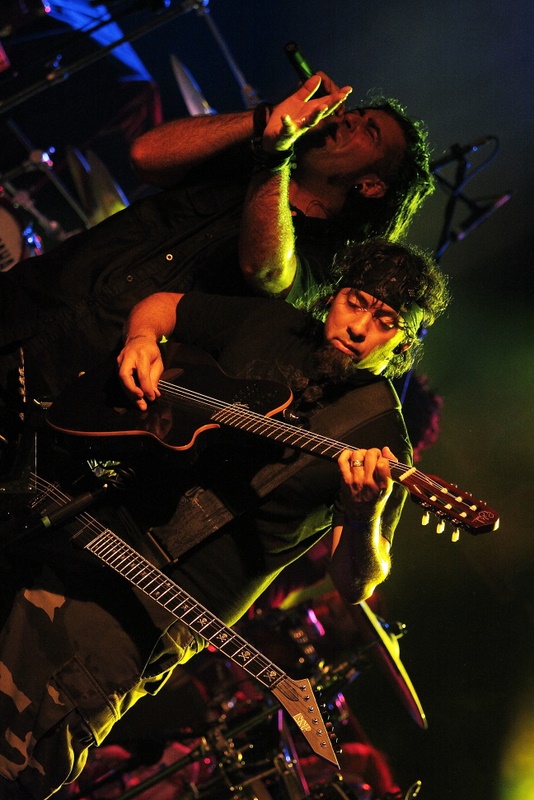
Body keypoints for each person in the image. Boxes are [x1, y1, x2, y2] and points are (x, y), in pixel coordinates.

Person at [0, 238, 448, 799]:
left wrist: (362, 516)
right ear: (335, 294)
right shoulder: (271, 322)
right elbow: (164, 304)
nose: (359, 328)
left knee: (18, 754)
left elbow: (355, 581)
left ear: (404, 341)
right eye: (356, 302)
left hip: (151, 607)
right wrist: (141, 339)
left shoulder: (378, 435)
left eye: (385, 321)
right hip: (78, 518)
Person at [0, 73, 432, 405]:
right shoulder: (246, 156)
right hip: (36, 297)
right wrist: (267, 121)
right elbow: (144, 156)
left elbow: (265, 270)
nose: (344, 120)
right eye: (351, 114)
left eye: (367, 131)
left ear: (373, 186)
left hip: (88, 374)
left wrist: (275, 157)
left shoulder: (331, 262)